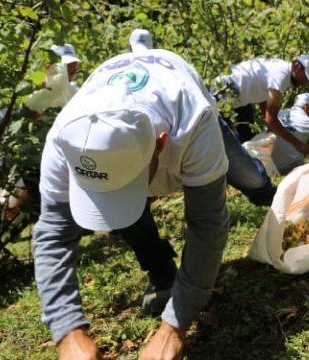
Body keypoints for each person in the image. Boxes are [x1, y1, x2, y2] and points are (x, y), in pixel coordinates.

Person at [32, 48, 229, 359]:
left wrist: (173, 329)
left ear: (161, 144)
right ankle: (162, 270)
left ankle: (270, 196)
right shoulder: (62, 139)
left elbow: (207, 223)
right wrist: (68, 332)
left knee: (250, 178)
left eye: (127, 183)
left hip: (184, 99)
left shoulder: (193, 121)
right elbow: (53, 235)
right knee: (126, 215)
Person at [127, 29, 276, 206]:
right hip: (195, 123)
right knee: (249, 177)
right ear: (153, 46)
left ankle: (120, 215)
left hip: (156, 133)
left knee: (131, 185)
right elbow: (206, 101)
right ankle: (266, 194)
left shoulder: (117, 69)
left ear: (129, 48)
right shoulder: (169, 59)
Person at [213, 55, 309, 149]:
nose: (305, 83)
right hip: (223, 95)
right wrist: (298, 144)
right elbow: (271, 120)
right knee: (224, 142)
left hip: (241, 100)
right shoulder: (281, 75)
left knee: (247, 140)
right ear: (296, 67)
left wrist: (271, 128)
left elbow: (265, 99)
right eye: (306, 77)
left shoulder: (284, 73)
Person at [24, 44, 82, 116]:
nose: (69, 78)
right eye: (65, 72)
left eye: (73, 72)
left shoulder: (75, 93)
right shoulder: (28, 92)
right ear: (48, 66)